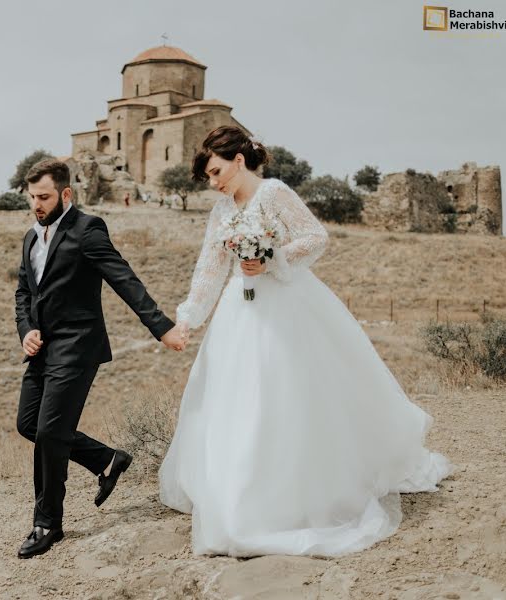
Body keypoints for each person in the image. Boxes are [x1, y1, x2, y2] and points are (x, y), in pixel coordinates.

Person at [158, 125, 453, 558]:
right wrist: (188, 318)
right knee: (239, 400)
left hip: (287, 304)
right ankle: (242, 496)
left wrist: (273, 258)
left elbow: (316, 237)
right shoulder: (219, 212)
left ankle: (304, 493)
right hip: (240, 311)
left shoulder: (274, 192)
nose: (214, 183)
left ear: (239, 161)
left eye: (217, 172)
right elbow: (209, 268)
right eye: (209, 179)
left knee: (289, 393)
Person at [13, 159, 186, 559]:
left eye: (44, 197)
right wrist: (26, 331)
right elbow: (24, 293)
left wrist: (161, 327)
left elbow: (123, 278)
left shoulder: (87, 230)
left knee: (52, 433)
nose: (36, 205)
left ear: (66, 194)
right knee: (29, 425)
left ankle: (47, 523)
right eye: (32, 198)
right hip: (42, 350)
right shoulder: (30, 238)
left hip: (77, 347)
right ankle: (108, 460)